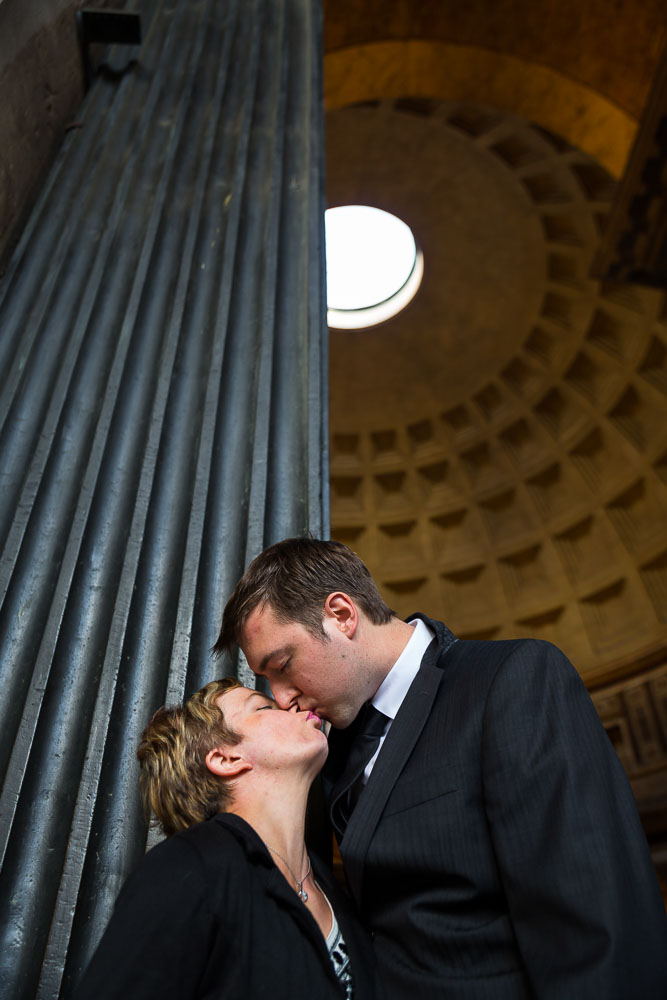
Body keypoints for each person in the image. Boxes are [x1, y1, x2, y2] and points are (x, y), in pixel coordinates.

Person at [214, 536, 667, 1000]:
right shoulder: (329, 751)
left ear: (342, 615)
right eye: (268, 682)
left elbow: (595, 923)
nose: (282, 697)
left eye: (283, 665)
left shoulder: (513, 678)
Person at [73, 677, 383, 1000]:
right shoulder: (189, 868)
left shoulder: (335, 886)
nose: (293, 704)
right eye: (264, 707)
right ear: (226, 759)